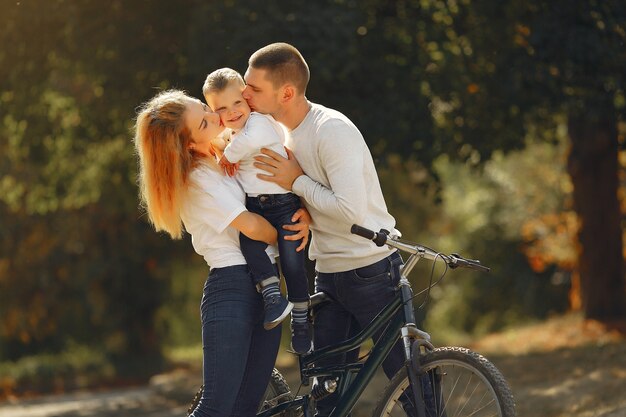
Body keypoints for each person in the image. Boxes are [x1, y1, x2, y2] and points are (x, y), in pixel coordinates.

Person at [242, 43, 407, 416]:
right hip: (328, 275)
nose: (245, 94)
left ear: (286, 92)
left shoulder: (331, 130)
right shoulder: (279, 136)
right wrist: (305, 212)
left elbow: (352, 211)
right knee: (326, 393)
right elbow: (319, 200)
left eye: (254, 88)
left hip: (371, 271)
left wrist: (297, 182)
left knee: (408, 379)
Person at [133, 89, 310, 416]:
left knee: (245, 408)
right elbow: (253, 227)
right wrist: (290, 233)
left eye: (204, 107)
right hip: (232, 289)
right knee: (215, 408)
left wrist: (302, 216)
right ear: (187, 144)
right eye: (203, 122)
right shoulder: (197, 179)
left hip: (266, 283)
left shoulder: (226, 153)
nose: (215, 116)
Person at [202, 68, 311, 354]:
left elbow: (246, 144)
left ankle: (301, 317)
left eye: (237, 102)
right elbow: (225, 139)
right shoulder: (233, 132)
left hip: (283, 205)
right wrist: (222, 145)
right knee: (250, 246)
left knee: (292, 264)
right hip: (256, 206)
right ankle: (273, 296)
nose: (232, 112)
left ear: (247, 98)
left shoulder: (260, 122)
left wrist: (228, 154)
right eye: (221, 109)